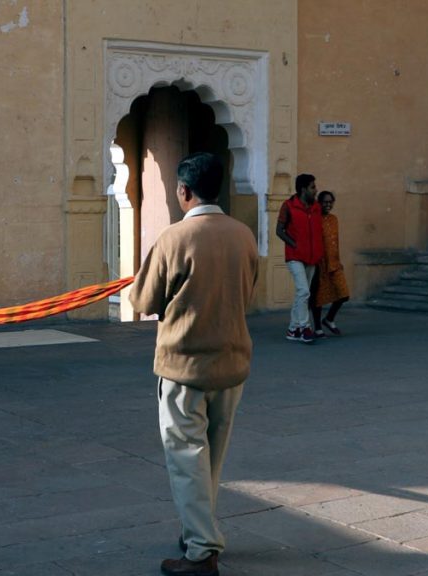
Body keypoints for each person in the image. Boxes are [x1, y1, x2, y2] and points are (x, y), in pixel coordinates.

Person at [130, 152, 258, 576]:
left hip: (186, 366)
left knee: (186, 456)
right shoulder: (243, 235)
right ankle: (196, 531)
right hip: (232, 361)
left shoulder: (174, 238)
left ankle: (201, 549)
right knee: (211, 459)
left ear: (184, 191)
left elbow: (144, 300)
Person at [276, 173, 323, 344]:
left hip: (312, 257)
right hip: (295, 256)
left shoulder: (316, 207)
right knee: (304, 291)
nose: (315, 190)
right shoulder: (288, 206)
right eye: (312, 187)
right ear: (303, 189)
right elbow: (279, 230)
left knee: (302, 293)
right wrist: (294, 244)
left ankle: (292, 328)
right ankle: (305, 327)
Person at [309, 190, 350, 337]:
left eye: (330, 202)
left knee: (344, 294)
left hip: (334, 263)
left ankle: (329, 319)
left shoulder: (334, 219)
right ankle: (318, 328)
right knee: (318, 296)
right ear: (319, 203)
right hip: (319, 263)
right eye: (325, 202)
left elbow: (335, 242)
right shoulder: (314, 219)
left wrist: (338, 260)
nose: (328, 205)